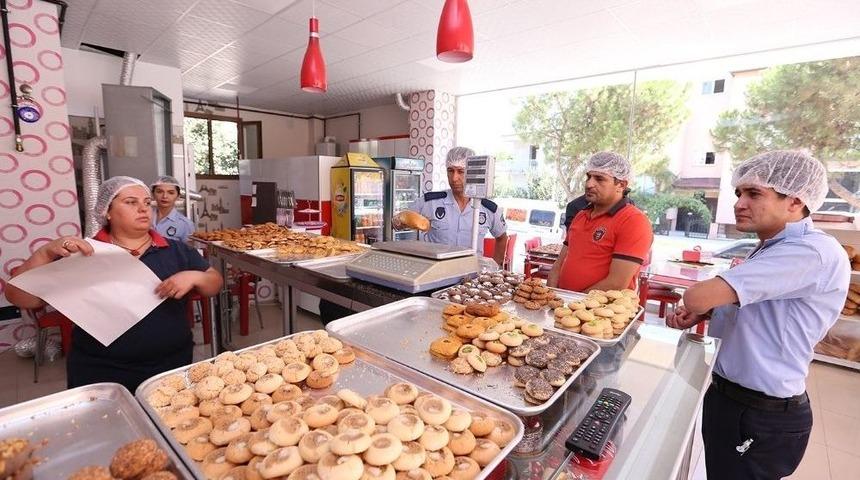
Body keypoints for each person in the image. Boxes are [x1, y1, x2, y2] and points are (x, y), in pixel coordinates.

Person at [667, 151, 848, 480]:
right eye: (739, 193)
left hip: (761, 412)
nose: (739, 202)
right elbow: (758, 310)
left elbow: (696, 294)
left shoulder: (810, 251)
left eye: (754, 193)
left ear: (794, 202)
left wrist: (700, 302)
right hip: (731, 398)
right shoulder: (770, 247)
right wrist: (706, 311)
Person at [5, 176, 223, 393]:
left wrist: (195, 276)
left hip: (171, 366)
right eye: (131, 202)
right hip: (101, 370)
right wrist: (45, 252)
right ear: (106, 211)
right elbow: (22, 298)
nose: (143, 209)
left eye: (147, 202)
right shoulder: (85, 254)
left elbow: (214, 283)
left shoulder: (176, 250)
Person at [548, 152, 652, 292]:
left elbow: (616, 283)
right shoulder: (581, 215)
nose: (589, 184)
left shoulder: (633, 220)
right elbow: (559, 264)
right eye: (588, 177)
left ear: (621, 185)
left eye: (599, 179)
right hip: (565, 307)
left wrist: (573, 306)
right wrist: (551, 296)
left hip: (601, 311)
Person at [393, 147, 508, 267]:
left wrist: (495, 268)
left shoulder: (487, 209)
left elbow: (502, 238)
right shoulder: (430, 202)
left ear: (471, 173)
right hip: (434, 274)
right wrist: (399, 220)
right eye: (450, 171)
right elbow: (398, 222)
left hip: (470, 276)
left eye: (460, 171)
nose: (454, 178)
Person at [151, 175, 195, 242]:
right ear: (153, 194)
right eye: (159, 192)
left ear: (178, 196)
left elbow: (189, 251)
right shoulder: (145, 217)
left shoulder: (185, 224)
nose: (165, 196)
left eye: (171, 193)